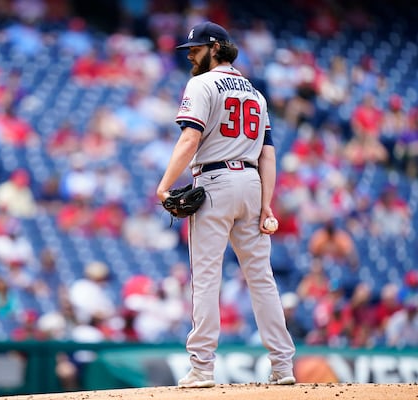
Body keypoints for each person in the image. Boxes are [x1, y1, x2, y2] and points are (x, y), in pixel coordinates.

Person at [155, 21, 296, 388]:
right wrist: (266, 205)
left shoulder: (201, 84)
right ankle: (283, 366)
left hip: (215, 182)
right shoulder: (255, 93)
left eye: (196, 48)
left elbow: (190, 137)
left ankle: (202, 368)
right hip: (251, 184)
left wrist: (165, 185)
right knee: (261, 279)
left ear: (215, 47)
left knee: (205, 278)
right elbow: (267, 154)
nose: (189, 55)